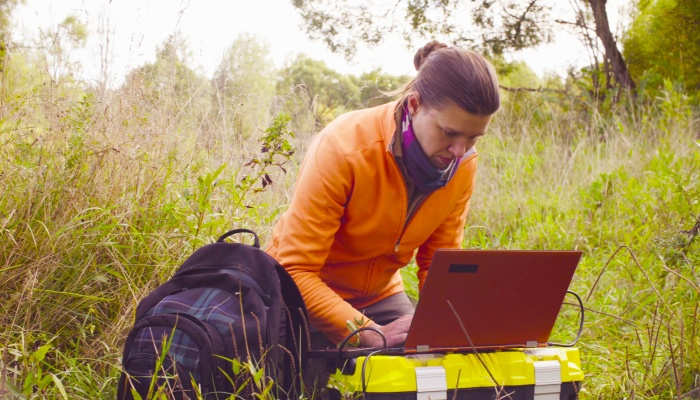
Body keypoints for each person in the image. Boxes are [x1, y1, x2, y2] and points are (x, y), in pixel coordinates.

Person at [266, 41, 500, 355]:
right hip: (300, 296)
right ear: (415, 105)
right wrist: (369, 333)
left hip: (380, 297)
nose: (460, 150)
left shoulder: (463, 164)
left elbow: (439, 264)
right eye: (449, 133)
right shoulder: (344, 147)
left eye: (473, 138)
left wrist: (451, 326)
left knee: (434, 366)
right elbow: (295, 271)